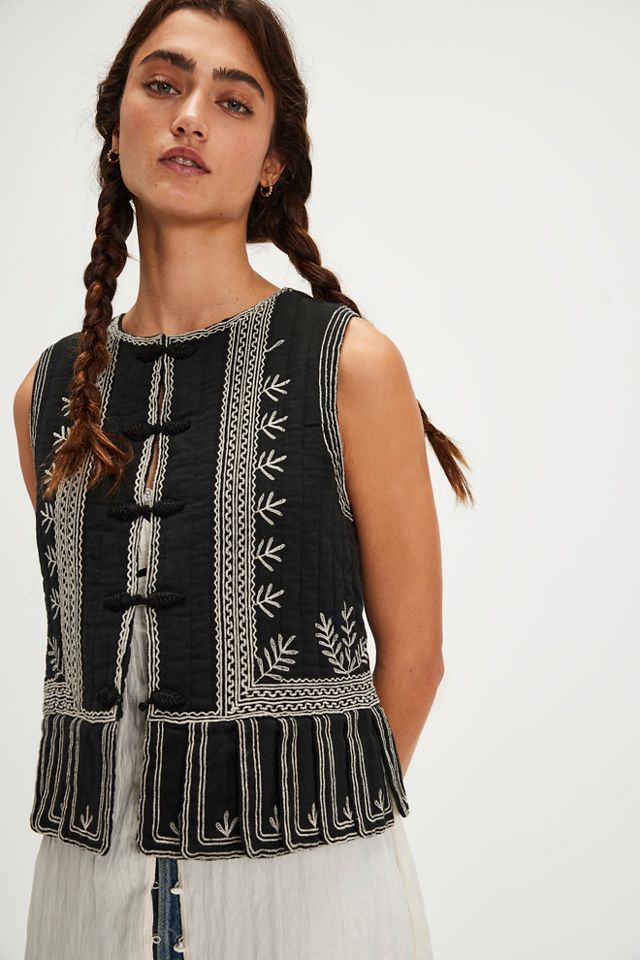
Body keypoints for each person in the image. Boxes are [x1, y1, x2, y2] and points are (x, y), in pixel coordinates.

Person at [13, 1, 473, 957]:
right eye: (163, 85)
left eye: (232, 102)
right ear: (116, 124)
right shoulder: (47, 393)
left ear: (272, 161)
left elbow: (416, 657)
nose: (189, 118)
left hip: (310, 893)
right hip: (85, 896)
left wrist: (312, 836)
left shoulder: (350, 365)